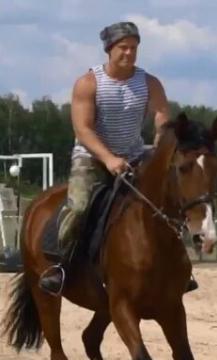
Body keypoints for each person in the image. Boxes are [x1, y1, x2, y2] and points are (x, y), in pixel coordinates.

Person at [38, 21, 198, 296]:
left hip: (136, 155)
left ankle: (180, 268)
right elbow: (83, 129)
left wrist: (161, 145)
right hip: (92, 159)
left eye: (134, 48)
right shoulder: (89, 83)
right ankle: (62, 267)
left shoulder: (149, 82)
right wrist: (109, 158)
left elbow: (161, 117)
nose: (129, 53)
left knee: (166, 200)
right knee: (79, 207)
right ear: (109, 49)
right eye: (123, 47)